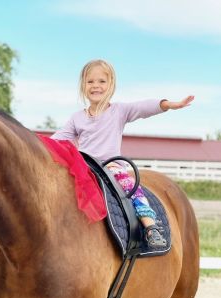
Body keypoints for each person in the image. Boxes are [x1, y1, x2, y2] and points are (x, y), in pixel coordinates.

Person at [51, 59, 194, 248]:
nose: (96, 86)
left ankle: (151, 227)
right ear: (83, 85)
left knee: (129, 187)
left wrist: (167, 104)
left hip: (111, 166)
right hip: (85, 167)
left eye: (101, 81)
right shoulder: (77, 118)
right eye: (90, 81)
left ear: (111, 85)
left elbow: (144, 107)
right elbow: (56, 140)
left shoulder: (119, 111)